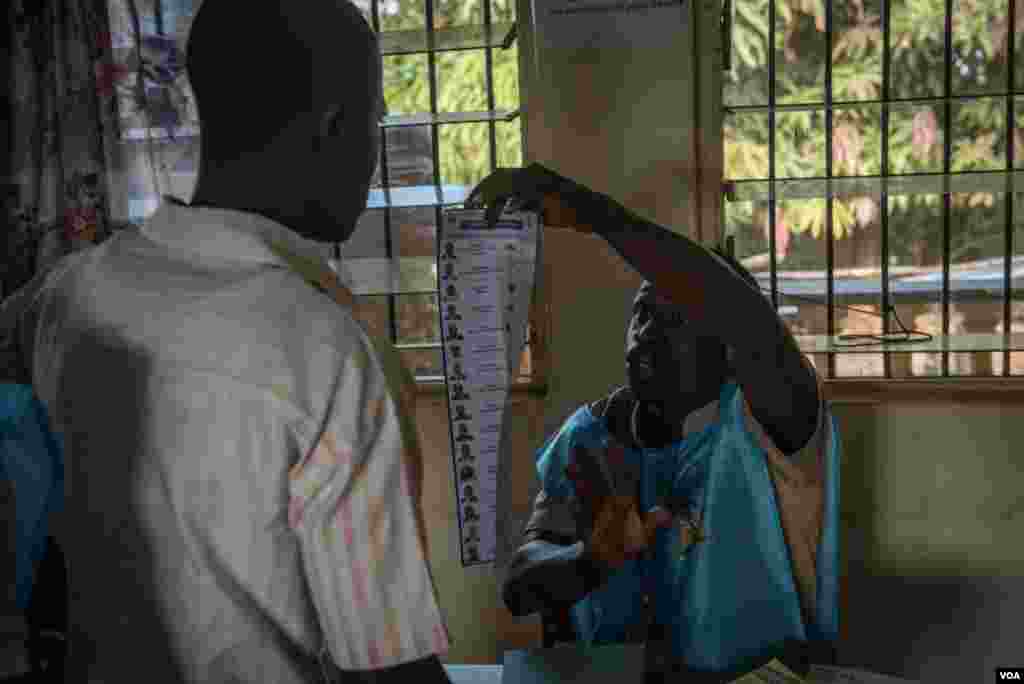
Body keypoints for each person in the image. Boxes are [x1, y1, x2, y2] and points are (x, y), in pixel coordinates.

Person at [0, 2, 453, 683]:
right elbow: (387, 668)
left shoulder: (64, 295)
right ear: (333, 127)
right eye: (375, 122)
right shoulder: (327, 349)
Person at [467, 164, 838, 676]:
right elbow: (521, 583)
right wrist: (590, 561)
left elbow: (746, 319)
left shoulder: (773, 421)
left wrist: (593, 213)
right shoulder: (590, 437)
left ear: (729, 349)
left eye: (677, 319)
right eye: (643, 313)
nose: (646, 333)